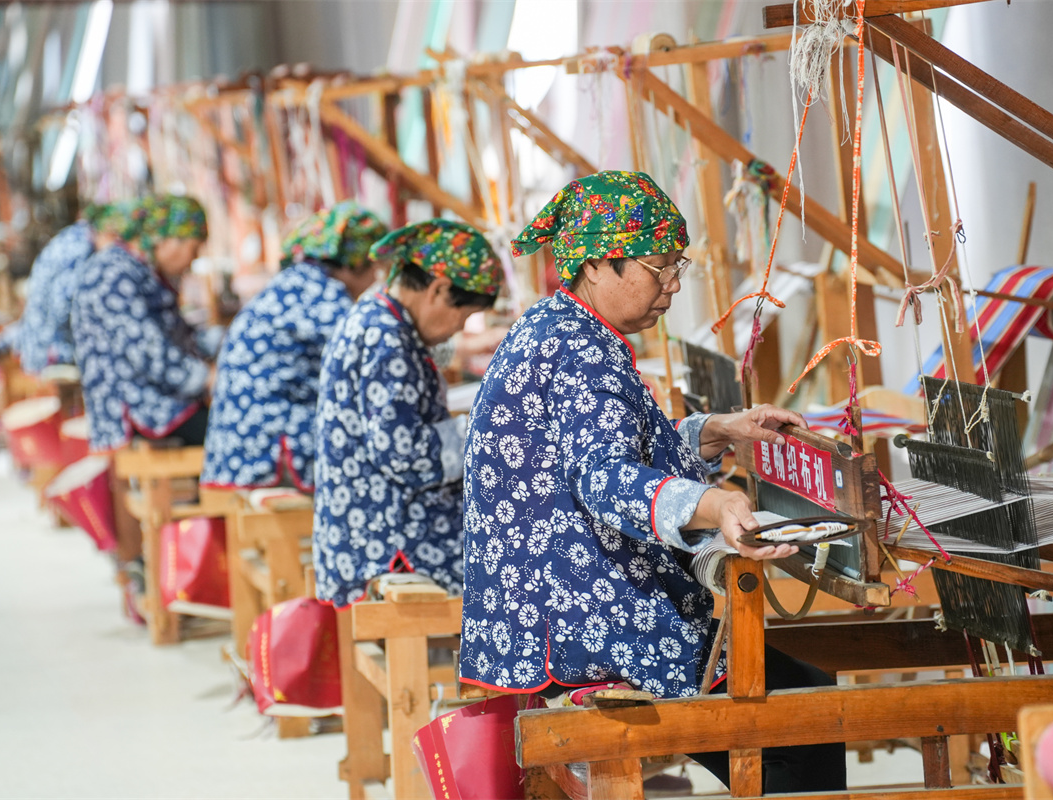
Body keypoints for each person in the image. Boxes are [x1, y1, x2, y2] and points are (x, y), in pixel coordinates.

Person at [458, 171, 846, 794]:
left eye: (677, 267)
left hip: (549, 608)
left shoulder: (561, 329)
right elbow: (607, 479)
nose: (671, 286)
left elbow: (606, 447)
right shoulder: (579, 351)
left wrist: (716, 431)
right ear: (595, 266)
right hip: (584, 619)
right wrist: (716, 501)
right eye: (658, 267)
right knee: (803, 713)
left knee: (799, 687)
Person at [312, 219, 503, 608]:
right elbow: (403, 453)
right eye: (462, 317)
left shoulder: (378, 316)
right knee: (520, 552)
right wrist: (486, 432)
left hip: (366, 525)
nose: (456, 330)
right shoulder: (388, 338)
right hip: (388, 538)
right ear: (439, 290)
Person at [201, 202, 387, 491]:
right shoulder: (320, 293)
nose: (375, 280)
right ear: (353, 263)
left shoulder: (295, 283)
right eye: (374, 269)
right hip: (268, 448)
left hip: (239, 444)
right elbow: (379, 352)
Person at [72, 194, 212, 452]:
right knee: (225, 434)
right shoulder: (112, 274)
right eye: (193, 249)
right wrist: (206, 378)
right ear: (168, 240)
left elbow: (177, 335)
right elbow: (148, 351)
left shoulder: (138, 270)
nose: (192, 261)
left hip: (157, 399)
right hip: (136, 410)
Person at [14, 201, 132, 375]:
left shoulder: (75, 237)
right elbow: (62, 306)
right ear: (106, 229)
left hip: (42, 343)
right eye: (117, 237)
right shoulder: (79, 248)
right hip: (51, 348)